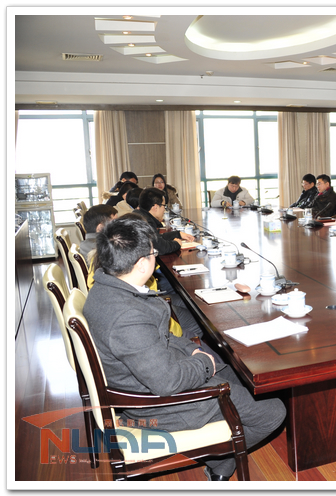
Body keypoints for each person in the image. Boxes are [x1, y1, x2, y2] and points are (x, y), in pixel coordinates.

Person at [83, 216, 286, 481]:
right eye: (153, 253)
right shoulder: (126, 317)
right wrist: (204, 363)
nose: (155, 258)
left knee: (235, 373)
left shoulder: (105, 288)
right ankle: (222, 463)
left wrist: (192, 351)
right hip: (160, 405)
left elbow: (161, 336)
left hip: (150, 375)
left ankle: (221, 461)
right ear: (142, 263)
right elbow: (168, 382)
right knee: (273, 412)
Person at [138, 188, 195, 255]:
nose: (164, 210)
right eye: (164, 206)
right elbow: (161, 248)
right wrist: (177, 243)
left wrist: (178, 234)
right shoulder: (146, 222)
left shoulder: (140, 216)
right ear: (155, 207)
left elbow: (157, 238)